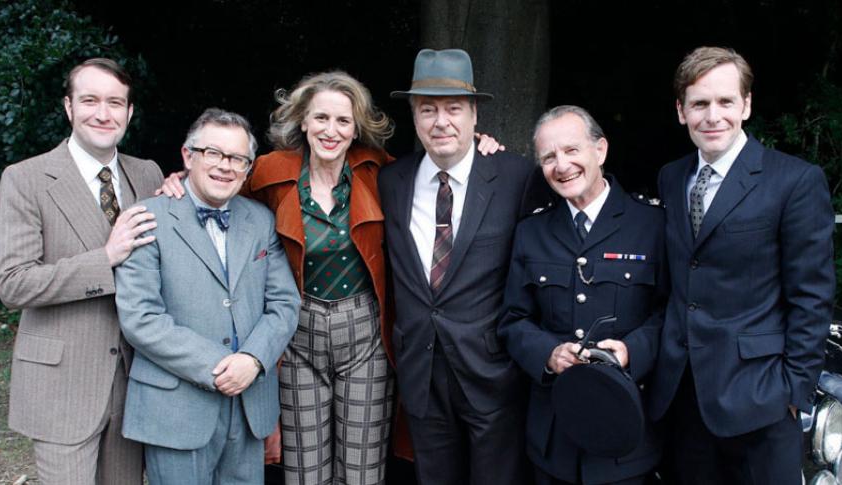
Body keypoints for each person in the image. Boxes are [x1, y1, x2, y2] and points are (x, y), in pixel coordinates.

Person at [157, 70, 506, 484]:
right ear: (303, 120)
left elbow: (441, 166)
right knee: (306, 470)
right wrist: (180, 179)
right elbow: (219, 187)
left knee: (362, 471)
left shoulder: (381, 172)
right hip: (298, 332)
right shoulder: (268, 171)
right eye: (321, 118)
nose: (331, 130)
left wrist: (482, 146)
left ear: (356, 127)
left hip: (365, 334)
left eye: (343, 120)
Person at [647, 47, 836, 484]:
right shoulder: (671, 178)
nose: (713, 116)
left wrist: (795, 390)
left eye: (725, 101)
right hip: (683, 395)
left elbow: (812, 295)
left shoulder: (794, 181)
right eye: (699, 104)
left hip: (761, 396)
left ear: (746, 105)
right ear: (681, 111)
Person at [378, 48, 550, 485]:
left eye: (454, 109)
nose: (441, 121)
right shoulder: (390, 180)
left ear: (475, 116)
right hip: (421, 373)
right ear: (414, 118)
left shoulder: (516, 177)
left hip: (492, 374)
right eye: (428, 109)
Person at [0, 58, 163, 485]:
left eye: (115, 102)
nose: (103, 114)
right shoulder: (26, 179)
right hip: (62, 386)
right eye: (90, 100)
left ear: (129, 112)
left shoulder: (147, 174)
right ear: (69, 107)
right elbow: (13, 283)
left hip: (134, 383)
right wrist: (104, 257)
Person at [114, 108, 300, 484]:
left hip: (248, 401)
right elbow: (141, 317)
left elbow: (284, 303)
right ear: (188, 156)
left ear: (248, 169)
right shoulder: (148, 217)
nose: (225, 166)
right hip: (176, 406)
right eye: (213, 153)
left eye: (237, 159)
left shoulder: (260, 219)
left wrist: (252, 359)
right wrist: (220, 365)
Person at [499, 106, 665, 485]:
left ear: (600, 151)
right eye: (549, 157)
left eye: (572, 150)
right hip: (554, 434)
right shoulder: (532, 231)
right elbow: (513, 318)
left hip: (627, 433)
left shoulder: (652, 224)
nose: (562, 165)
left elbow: (670, 313)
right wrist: (548, 354)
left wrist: (632, 351)